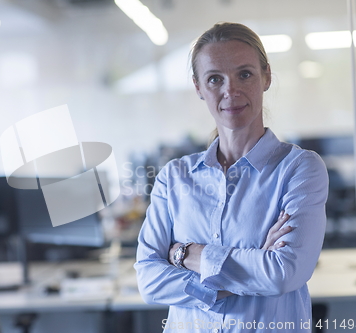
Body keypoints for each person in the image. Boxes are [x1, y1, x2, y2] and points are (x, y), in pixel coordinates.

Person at [134, 22, 328, 333]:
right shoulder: (174, 178)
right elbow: (148, 281)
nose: (230, 91)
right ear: (198, 88)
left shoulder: (299, 169)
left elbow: (283, 273)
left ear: (266, 76)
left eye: (245, 74)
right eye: (214, 79)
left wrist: (187, 255)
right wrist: (251, 268)